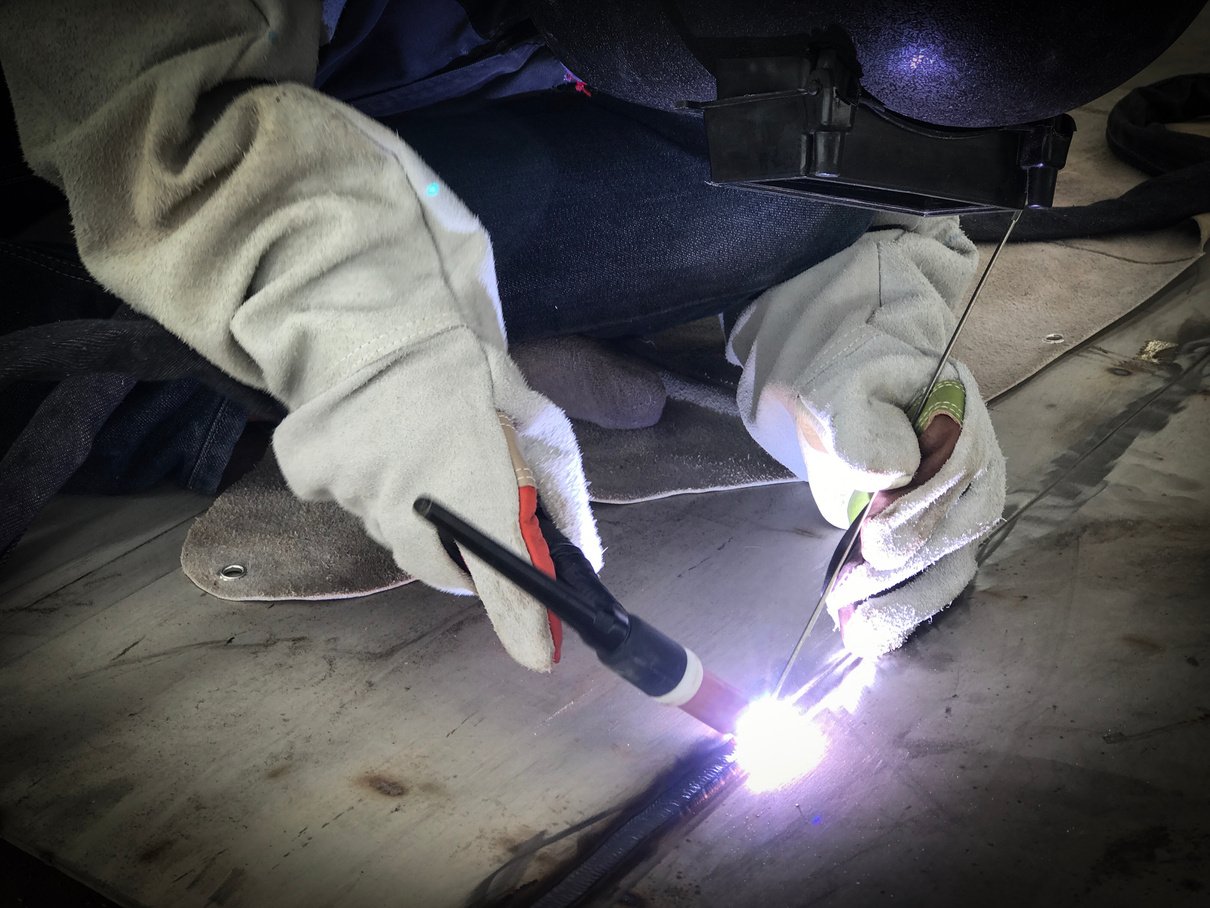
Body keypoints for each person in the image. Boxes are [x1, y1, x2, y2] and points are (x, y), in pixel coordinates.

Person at [0, 1, 1004, 670]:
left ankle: (476, 359)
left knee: (753, 207)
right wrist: (373, 352)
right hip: (88, 181)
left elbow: (856, 120)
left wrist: (856, 321)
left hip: (468, 115)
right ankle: (267, 412)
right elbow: (148, 126)